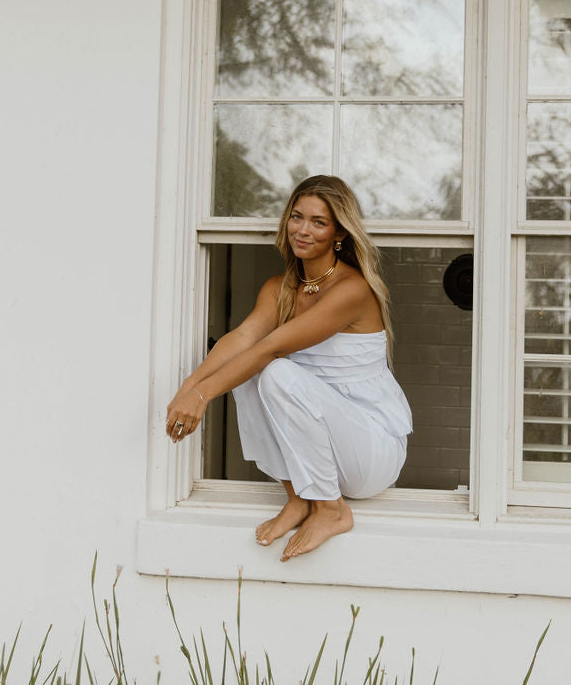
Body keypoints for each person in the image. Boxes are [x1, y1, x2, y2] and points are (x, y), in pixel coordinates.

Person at [165, 175, 411, 562]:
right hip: (319, 456)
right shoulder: (279, 288)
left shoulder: (352, 290)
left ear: (339, 234)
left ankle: (331, 510)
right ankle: (298, 496)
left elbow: (271, 347)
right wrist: (188, 388)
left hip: (371, 450)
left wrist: (203, 396)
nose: (303, 230)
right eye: (297, 217)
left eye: (318, 222)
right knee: (252, 371)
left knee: (274, 369)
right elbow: (242, 338)